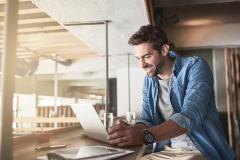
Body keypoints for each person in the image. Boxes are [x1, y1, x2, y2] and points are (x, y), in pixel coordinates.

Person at [107, 24, 235, 160]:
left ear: (164, 49)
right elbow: (147, 119)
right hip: (168, 150)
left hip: (201, 150)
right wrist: (132, 130)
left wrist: (144, 136)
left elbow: (190, 116)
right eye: (138, 58)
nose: (141, 65)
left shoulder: (195, 67)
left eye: (147, 56)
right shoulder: (149, 81)